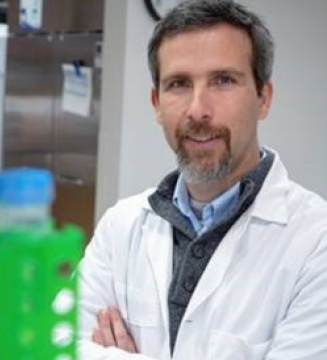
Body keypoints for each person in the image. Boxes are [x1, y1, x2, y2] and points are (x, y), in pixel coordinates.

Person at [78, 1, 327, 359]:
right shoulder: (122, 226)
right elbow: (56, 343)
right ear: (157, 104)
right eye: (178, 84)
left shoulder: (316, 243)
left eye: (223, 80)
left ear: (263, 98)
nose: (197, 110)